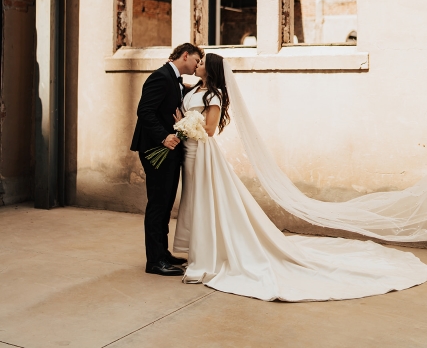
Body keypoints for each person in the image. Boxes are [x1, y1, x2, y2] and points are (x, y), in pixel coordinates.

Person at [174, 53, 427, 301]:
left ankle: (208, 255)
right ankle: (198, 249)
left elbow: (209, 129)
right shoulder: (193, 89)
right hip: (187, 151)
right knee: (195, 199)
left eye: (203, 62)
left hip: (202, 153)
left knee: (205, 200)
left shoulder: (214, 96)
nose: (198, 64)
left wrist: (185, 124)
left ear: (212, 69)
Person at [131, 42, 203, 276]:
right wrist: (164, 137)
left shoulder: (175, 79)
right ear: (185, 55)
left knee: (165, 204)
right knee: (158, 205)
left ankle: (162, 253)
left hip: (169, 151)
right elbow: (145, 111)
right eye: (196, 60)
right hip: (156, 149)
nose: (197, 65)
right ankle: (154, 261)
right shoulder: (160, 77)